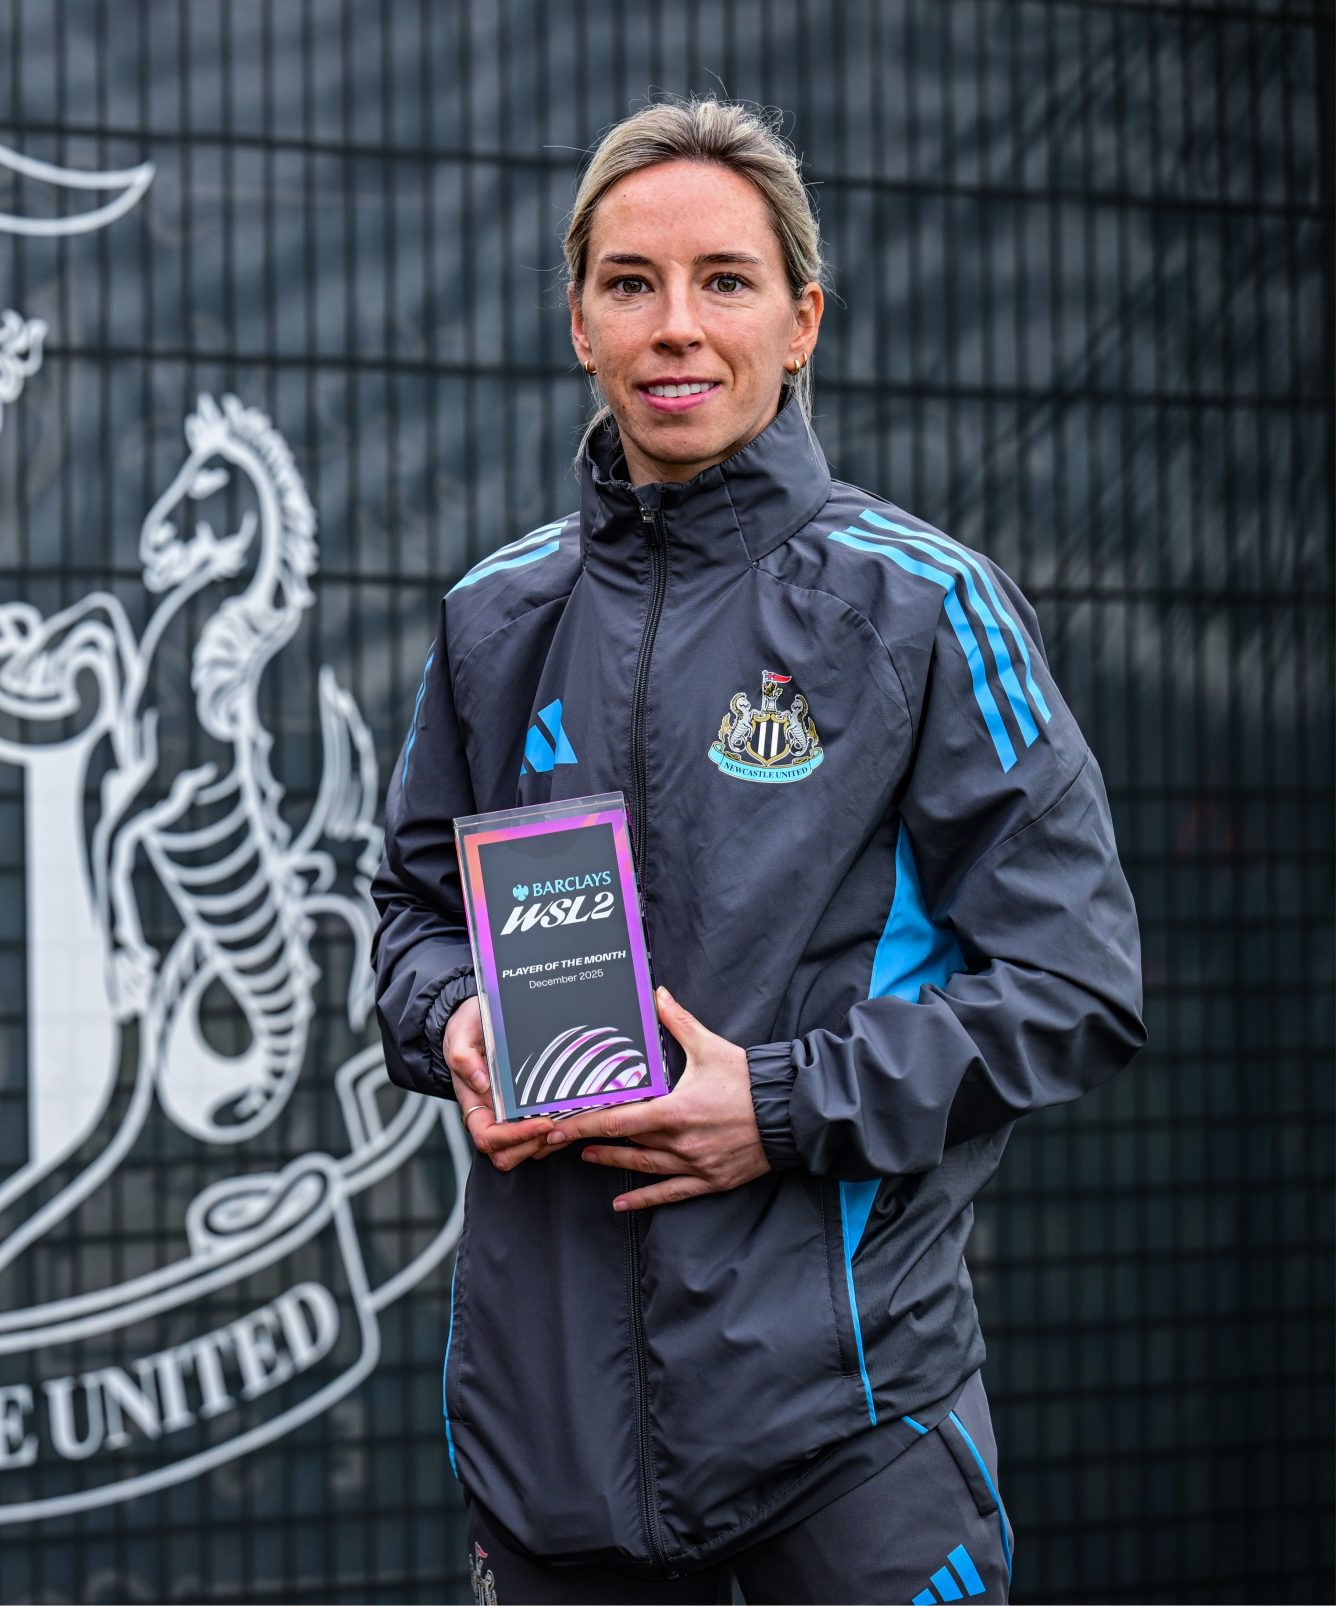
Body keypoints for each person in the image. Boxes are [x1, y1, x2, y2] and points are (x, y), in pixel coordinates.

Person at [371, 98, 1144, 1604]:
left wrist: (780, 1107)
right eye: (631, 283)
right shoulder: (493, 620)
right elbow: (411, 912)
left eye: (724, 280)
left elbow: (1075, 984)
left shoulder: (926, 607)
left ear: (802, 323)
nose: (676, 325)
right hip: (548, 1451)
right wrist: (455, 1016)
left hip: (850, 1433)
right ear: (580, 324)